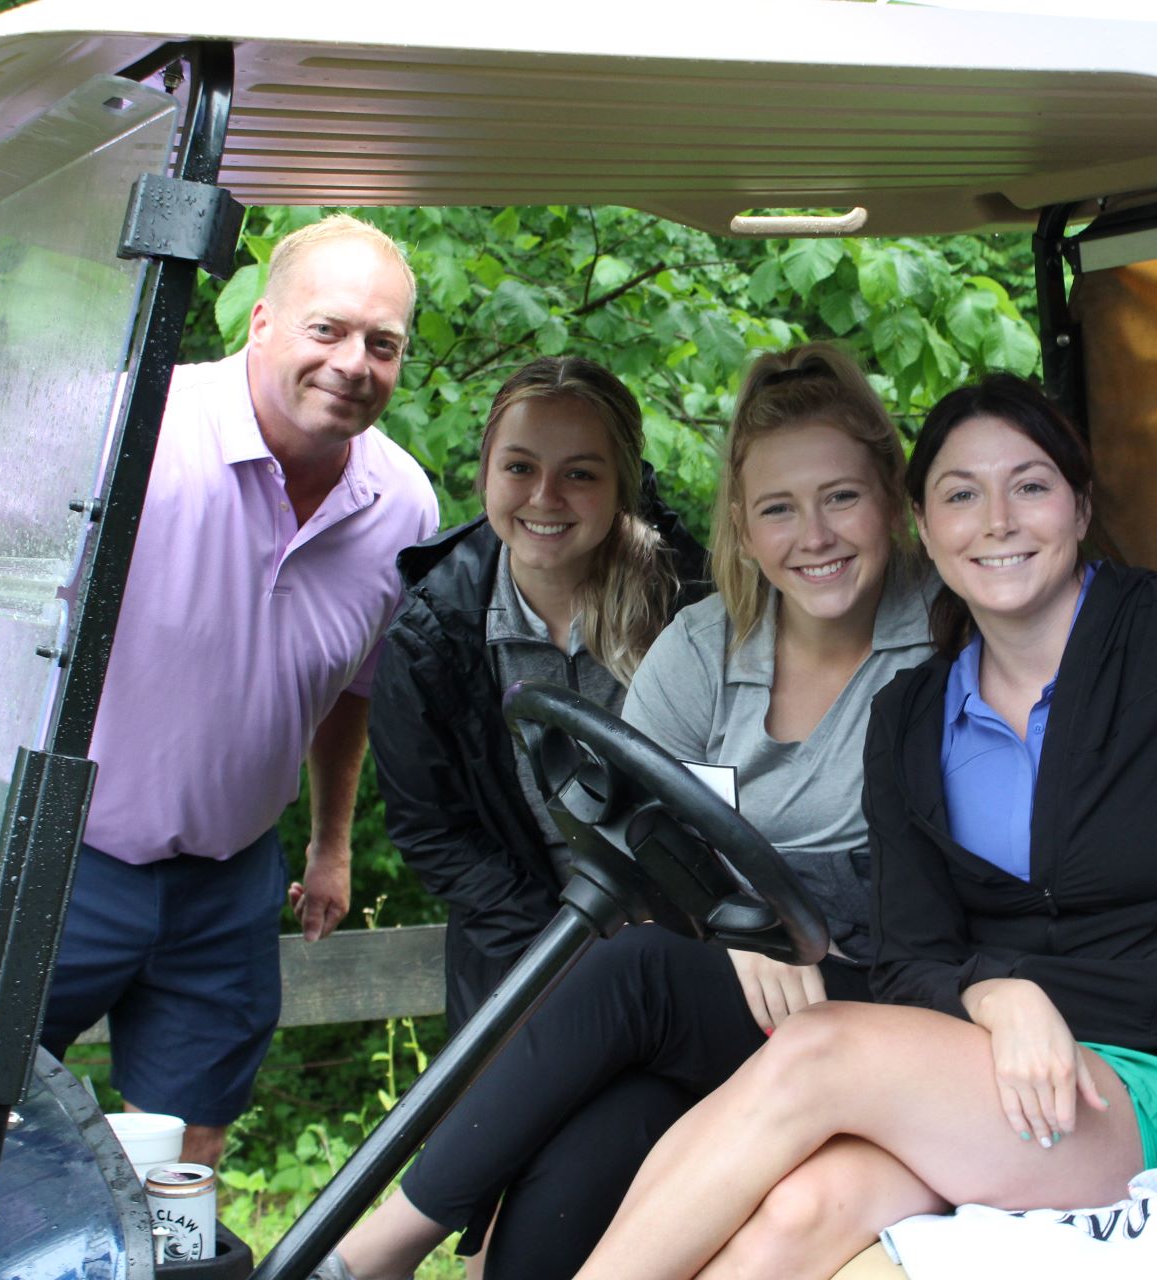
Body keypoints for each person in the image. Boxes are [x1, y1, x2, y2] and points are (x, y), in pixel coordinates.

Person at [573, 374, 1157, 1280]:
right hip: (982, 1070)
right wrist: (997, 993)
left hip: (1148, 1090)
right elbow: (912, 959)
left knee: (817, 1049)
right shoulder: (912, 716)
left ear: (1080, 504)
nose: (996, 520)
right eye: (961, 494)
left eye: (1029, 485)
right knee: (803, 1209)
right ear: (922, 525)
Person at [316, 343, 934, 1280]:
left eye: (841, 497)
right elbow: (643, 828)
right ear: (745, 523)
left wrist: (749, 929)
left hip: (878, 981)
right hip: (719, 978)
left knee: (633, 969)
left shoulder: (940, 638)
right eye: (777, 508)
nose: (812, 534)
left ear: (892, 496)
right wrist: (733, 930)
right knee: (595, 1139)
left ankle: (374, 1248)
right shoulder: (706, 639)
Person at [0, 216, 442, 1168]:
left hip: (229, 877)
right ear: (260, 323)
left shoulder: (402, 507)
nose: (353, 363)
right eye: (328, 329)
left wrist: (331, 844)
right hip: (51, 848)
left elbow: (353, 687)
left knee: (188, 1148)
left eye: (382, 344)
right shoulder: (127, 423)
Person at [366, 355, 704, 1042]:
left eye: (580, 473)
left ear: (622, 485)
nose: (545, 497)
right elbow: (433, 830)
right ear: (485, 472)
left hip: (687, 955)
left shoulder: (694, 609)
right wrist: (558, 946)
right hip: (521, 963)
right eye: (520, 467)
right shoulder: (432, 634)